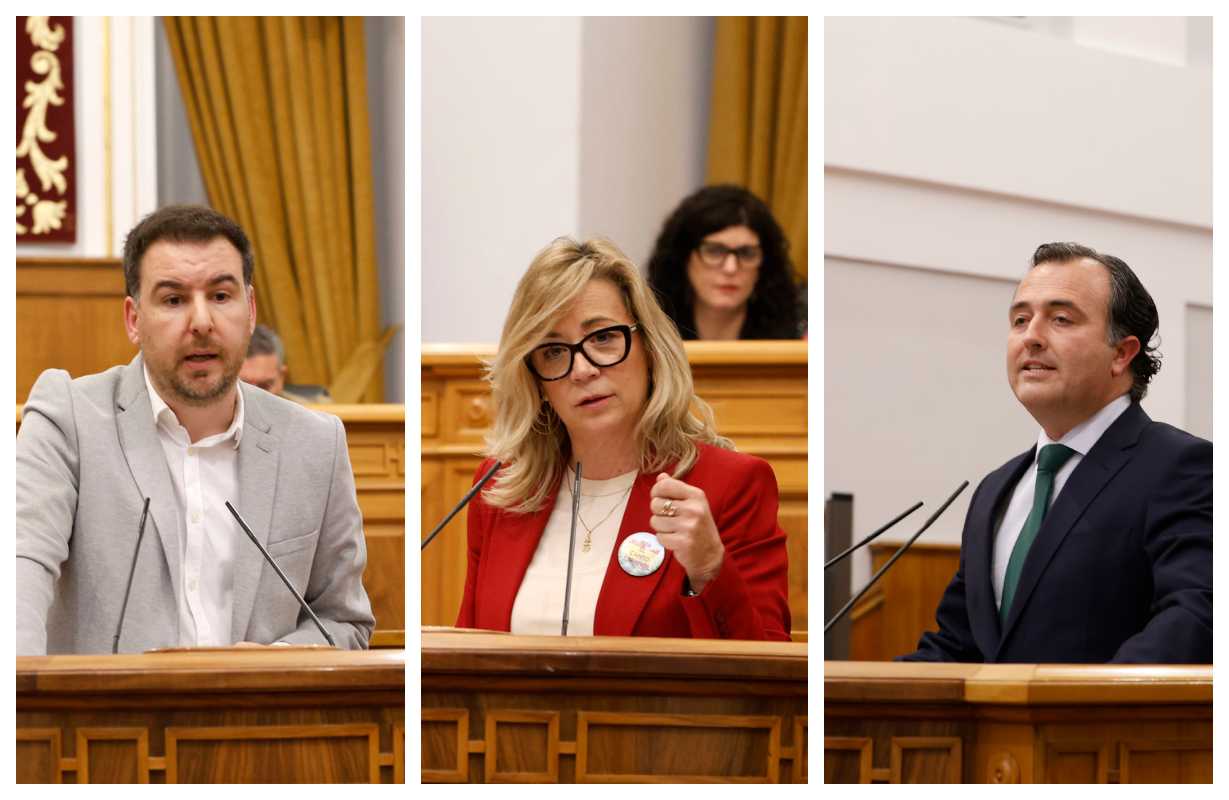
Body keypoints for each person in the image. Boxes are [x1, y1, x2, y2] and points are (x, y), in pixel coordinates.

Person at [16, 205, 374, 655]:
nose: (201, 322)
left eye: (221, 296)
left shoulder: (314, 444)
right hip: (107, 722)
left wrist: (273, 665)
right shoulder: (69, 418)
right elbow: (20, 567)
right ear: (133, 319)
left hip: (256, 720)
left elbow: (343, 620)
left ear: (250, 308)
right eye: (173, 299)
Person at [455, 237, 790, 640]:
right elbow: (468, 654)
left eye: (602, 338)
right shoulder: (500, 491)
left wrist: (709, 569)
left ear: (649, 348)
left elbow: (768, 675)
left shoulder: (728, 486)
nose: (581, 369)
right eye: (553, 350)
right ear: (534, 378)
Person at [902, 243, 1211, 664]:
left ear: (1122, 353)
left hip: (1105, 727)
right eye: (1020, 320)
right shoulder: (995, 489)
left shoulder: (1182, 467)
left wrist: (1087, 712)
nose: (1031, 337)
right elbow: (959, 646)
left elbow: (1195, 618)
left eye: (1061, 319)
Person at [647, 184, 802, 340]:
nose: (730, 268)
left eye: (747, 253)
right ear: (683, 257)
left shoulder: (799, 335)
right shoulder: (648, 332)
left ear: (765, 264)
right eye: (714, 251)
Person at [240, 324, 332, 404]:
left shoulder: (317, 412)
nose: (254, 398)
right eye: (243, 386)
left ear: (281, 376)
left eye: (264, 386)